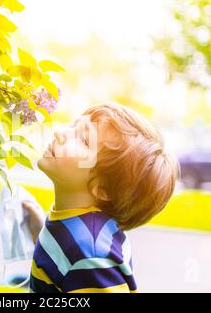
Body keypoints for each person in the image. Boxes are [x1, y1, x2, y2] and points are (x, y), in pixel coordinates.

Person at [22, 102, 179, 293]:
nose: (60, 133)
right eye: (74, 126)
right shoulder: (73, 227)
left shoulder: (91, 255)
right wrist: (41, 233)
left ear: (102, 189)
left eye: (84, 140)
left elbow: (78, 261)